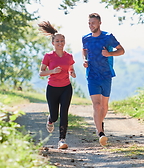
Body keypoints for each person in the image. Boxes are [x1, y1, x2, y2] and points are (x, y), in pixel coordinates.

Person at [82, 13, 125, 146]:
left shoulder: (108, 37)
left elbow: (121, 50)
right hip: (92, 75)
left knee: (104, 106)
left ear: (100, 23)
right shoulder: (86, 38)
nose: (91, 25)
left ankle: (99, 123)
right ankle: (100, 133)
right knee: (97, 105)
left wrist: (109, 53)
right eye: (89, 23)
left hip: (106, 75)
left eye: (93, 23)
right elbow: (84, 50)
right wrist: (84, 60)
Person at [38, 21, 76, 149]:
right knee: (54, 115)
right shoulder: (48, 56)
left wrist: (72, 72)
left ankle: (62, 140)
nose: (60, 43)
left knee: (64, 113)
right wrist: (52, 71)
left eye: (62, 41)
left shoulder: (69, 56)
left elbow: (70, 67)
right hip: (52, 89)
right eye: (57, 41)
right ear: (53, 43)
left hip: (66, 87)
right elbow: (41, 73)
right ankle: (50, 120)